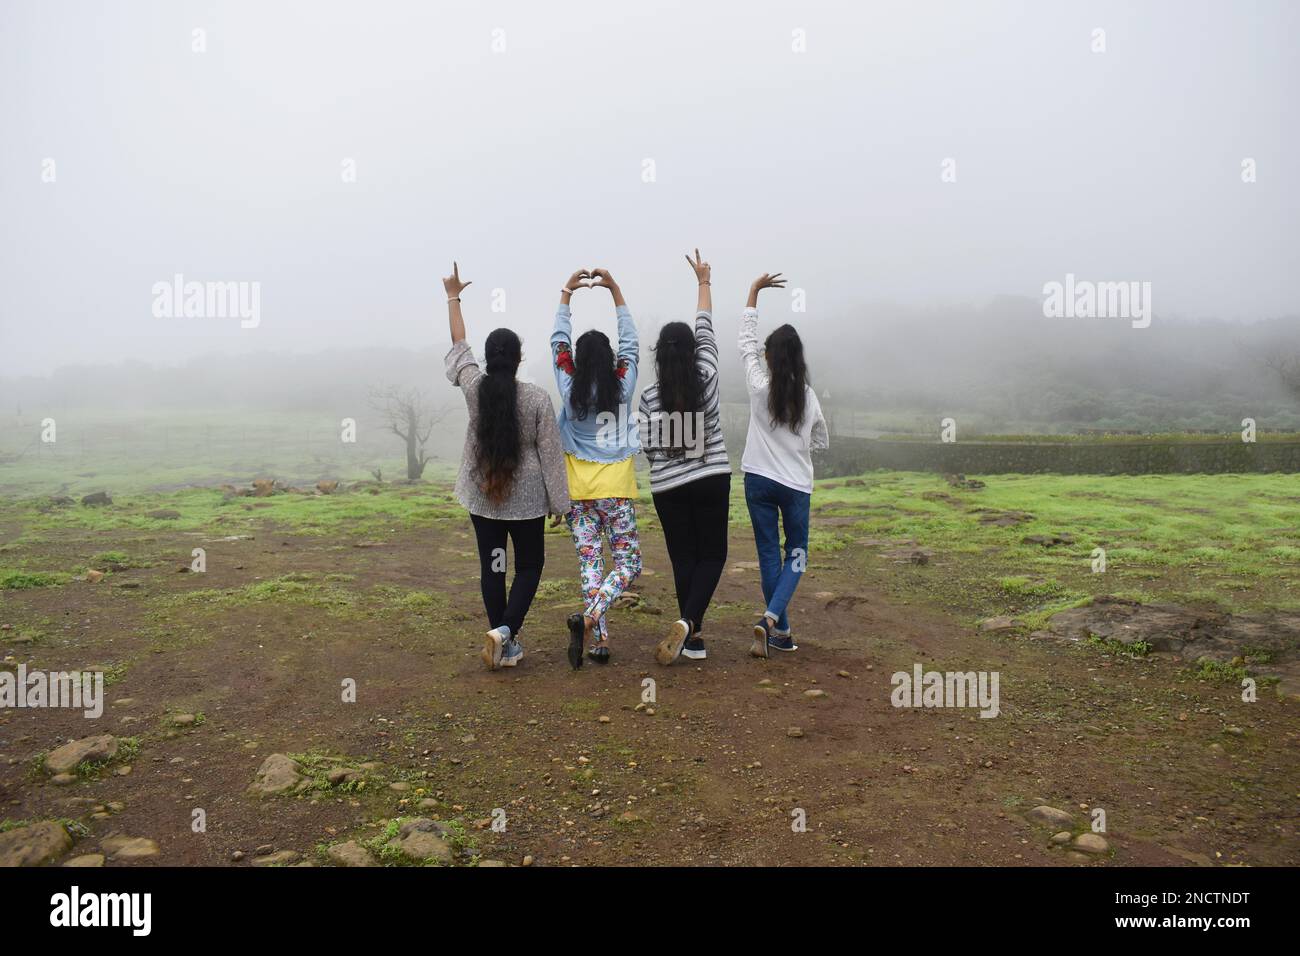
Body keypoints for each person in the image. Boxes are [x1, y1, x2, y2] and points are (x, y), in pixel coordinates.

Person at [443, 263, 569, 671]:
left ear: (488, 359)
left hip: (484, 497)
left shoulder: (475, 389)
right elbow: (550, 452)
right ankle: (505, 633)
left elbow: (459, 345)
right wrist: (561, 505)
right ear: (518, 359)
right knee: (530, 567)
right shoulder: (535, 398)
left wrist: (453, 296)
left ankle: (501, 633)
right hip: (529, 500)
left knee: (493, 567)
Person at [639, 250, 732, 665]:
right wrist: (704, 282)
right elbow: (706, 327)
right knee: (712, 555)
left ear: (659, 355)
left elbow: (649, 449)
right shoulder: (708, 377)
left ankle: (692, 635)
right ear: (694, 353)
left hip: (668, 487)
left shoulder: (648, 398)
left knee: (684, 558)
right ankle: (690, 624)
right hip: (711, 477)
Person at [551, 267, 643, 668]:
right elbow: (633, 344)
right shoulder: (621, 385)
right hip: (616, 488)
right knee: (629, 563)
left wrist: (566, 294)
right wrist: (616, 292)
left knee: (590, 561)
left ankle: (599, 640)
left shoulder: (569, 387)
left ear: (578, 361)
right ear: (610, 360)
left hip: (577, 491)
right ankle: (591, 619)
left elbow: (558, 344)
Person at [739, 272, 829, 658]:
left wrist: (753, 293)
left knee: (767, 555)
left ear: (770, 357)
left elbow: (744, 344)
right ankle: (773, 620)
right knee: (797, 554)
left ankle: (780, 629)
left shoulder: (759, 387)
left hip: (757, 479)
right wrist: (801, 445)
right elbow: (821, 440)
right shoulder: (808, 397)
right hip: (795, 484)